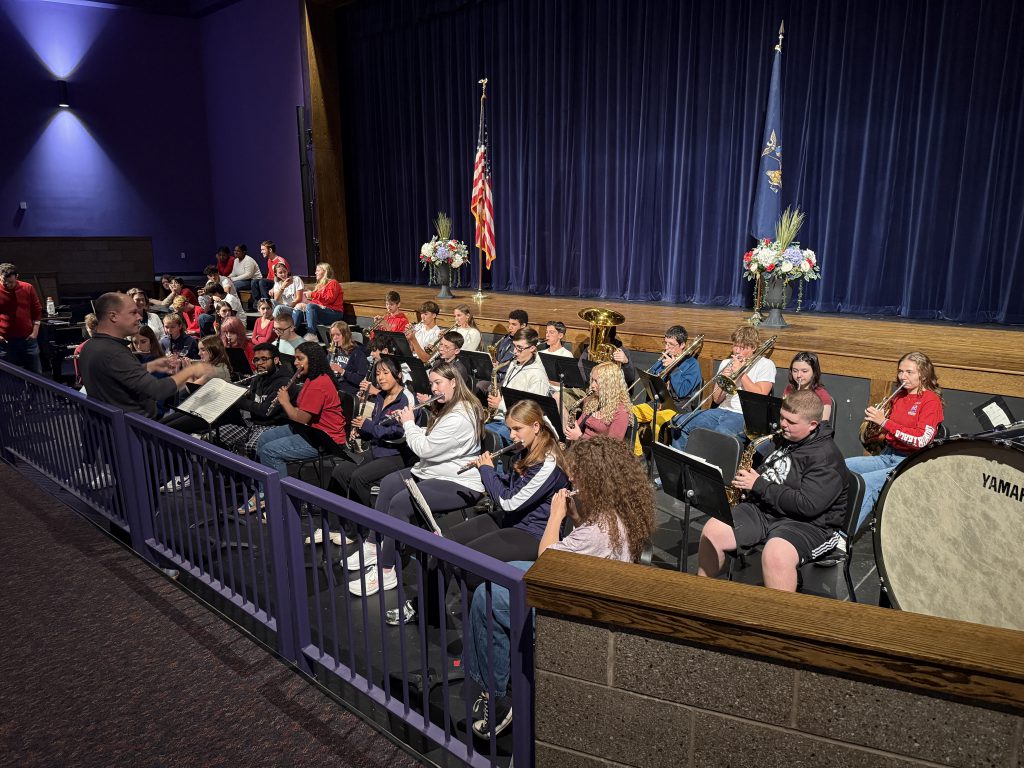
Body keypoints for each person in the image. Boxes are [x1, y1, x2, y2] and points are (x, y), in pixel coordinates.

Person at [463, 435, 655, 739]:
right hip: (588, 592)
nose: (572, 477)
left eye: (578, 472)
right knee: (506, 573)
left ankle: (495, 698)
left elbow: (545, 565)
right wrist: (577, 518)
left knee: (487, 596)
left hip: (573, 614)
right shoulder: (621, 514)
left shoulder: (599, 532)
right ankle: (505, 671)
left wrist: (556, 516)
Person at [347, 363, 485, 596]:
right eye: (431, 383)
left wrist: (409, 423)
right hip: (436, 469)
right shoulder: (450, 406)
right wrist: (412, 425)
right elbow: (432, 439)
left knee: (401, 502)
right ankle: (373, 544)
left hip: (459, 479)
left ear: (453, 382)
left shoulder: (462, 414)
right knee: (390, 483)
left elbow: (425, 449)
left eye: (438, 383)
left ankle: (387, 569)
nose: (433, 389)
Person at [697, 390, 849, 592]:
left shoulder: (826, 458)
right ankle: (701, 593)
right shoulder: (785, 437)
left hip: (809, 524)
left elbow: (808, 506)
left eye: (791, 422)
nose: (783, 425)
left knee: (776, 554)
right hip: (766, 509)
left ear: (813, 425)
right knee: (712, 530)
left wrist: (758, 484)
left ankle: (778, 619)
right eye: (782, 417)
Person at [845, 351, 943, 532]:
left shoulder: (931, 401)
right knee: (842, 466)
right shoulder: (899, 396)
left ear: (923, 374)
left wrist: (884, 422)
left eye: (909, 372)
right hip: (887, 455)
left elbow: (921, 440)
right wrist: (875, 431)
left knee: (867, 483)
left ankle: (844, 538)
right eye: (900, 371)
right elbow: (892, 431)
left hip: (911, 462)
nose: (903, 376)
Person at [78, 292, 214, 419]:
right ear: (113, 316)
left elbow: (116, 377)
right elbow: (157, 390)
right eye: (133, 313)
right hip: (135, 429)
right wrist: (191, 370)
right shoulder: (114, 352)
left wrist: (149, 366)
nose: (139, 317)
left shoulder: (90, 346)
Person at [248, 342, 347, 492]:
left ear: (312, 360)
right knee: (263, 439)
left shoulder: (318, 384)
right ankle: (262, 491)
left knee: (270, 451)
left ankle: (276, 499)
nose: (295, 363)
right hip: (310, 430)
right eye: (295, 359)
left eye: (300, 359)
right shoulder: (310, 379)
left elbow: (300, 419)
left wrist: (285, 402)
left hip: (326, 438)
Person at [671, 324, 775, 452]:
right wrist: (722, 380)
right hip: (721, 410)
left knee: (721, 433)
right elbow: (717, 399)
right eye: (735, 345)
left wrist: (741, 373)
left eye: (742, 347)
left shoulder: (765, 364)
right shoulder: (726, 363)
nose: (737, 350)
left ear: (753, 347)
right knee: (680, 422)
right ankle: (682, 467)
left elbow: (760, 397)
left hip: (744, 415)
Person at [330, 356, 415, 508]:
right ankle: (337, 521)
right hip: (377, 450)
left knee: (359, 478)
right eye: (377, 374)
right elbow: (375, 427)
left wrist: (367, 426)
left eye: (385, 373)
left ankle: (362, 526)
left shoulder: (406, 399)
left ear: (399, 375)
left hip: (396, 454)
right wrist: (361, 432)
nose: (380, 378)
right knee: (340, 471)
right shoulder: (381, 397)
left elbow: (399, 433)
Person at [631, 325, 702, 455]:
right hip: (658, 404)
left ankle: (652, 460)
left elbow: (682, 392)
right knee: (630, 413)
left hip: (677, 408)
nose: (666, 348)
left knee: (656, 424)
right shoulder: (663, 359)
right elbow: (651, 382)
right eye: (665, 343)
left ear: (682, 345)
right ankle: (635, 455)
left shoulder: (692, 365)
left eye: (671, 345)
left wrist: (673, 368)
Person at [218, 343, 295, 457]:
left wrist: (239, 401)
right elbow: (251, 400)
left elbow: (265, 411)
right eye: (256, 360)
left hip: (273, 426)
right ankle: (230, 472)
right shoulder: (258, 377)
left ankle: (250, 474)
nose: (259, 363)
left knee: (252, 446)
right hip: (253, 423)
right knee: (218, 434)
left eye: (264, 359)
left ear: (276, 360)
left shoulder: (284, 382)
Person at [485, 327, 550, 445]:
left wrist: (500, 404)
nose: (515, 352)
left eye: (519, 348)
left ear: (532, 348)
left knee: (487, 435)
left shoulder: (537, 376)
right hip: (503, 419)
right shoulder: (514, 363)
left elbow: (531, 411)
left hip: (518, 426)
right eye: (514, 346)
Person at [563, 362, 631, 441]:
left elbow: (612, 448)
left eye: (596, 381)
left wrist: (580, 437)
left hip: (597, 452)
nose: (592, 385)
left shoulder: (621, 411)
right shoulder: (592, 400)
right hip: (581, 448)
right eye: (592, 380)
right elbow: (578, 425)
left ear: (609, 384)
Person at [0, 262, 43, 374]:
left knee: (35, 375)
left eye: (11, 282)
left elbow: (37, 310)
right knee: (8, 376)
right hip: (5, 341)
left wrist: (35, 332)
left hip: (28, 339)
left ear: (17, 277)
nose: (7, 285)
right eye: (4, 282)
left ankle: (35, 392)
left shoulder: (27, 288)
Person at [293, 262, 344, 339]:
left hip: (334, 313)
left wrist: (312, 295)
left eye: (318, 270)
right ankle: (291, 333)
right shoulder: (320, 285)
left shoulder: (333, 283)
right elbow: (317, 303)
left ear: (325, 271)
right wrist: (306, 303)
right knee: (300, 308)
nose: (315, 273)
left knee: (310, 306)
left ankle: (312, 334)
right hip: (323, 311)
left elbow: (329, 299)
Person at [783, 351, 833, 421]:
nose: (798, 375)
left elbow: (823, 426)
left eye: (804, 371)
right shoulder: (790, 388)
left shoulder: (822, 396)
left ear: (814, 372)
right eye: (795, 371)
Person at [328, 321, 370, 396]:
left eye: (338, 335)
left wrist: (342, 371)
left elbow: (360, 379)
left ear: (346, 335)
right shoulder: (332, 351)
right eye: (332, 335)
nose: (335, 338)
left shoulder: (357, 353)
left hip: (349, 391)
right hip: (333, 388)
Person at [251, 240, 288, 306]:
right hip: (272, 282)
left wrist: (274, 288)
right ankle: (258, 304)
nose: (261, 252)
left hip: (280, 283)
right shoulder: (269, 260)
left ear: (270, 250)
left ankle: (268, 304)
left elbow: (285, 277)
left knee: (262, 282)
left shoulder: (280, 261)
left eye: (263, 250)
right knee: (254, 282)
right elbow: (270, 275)